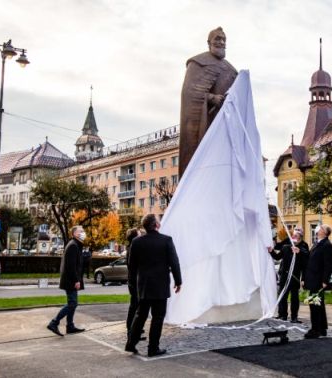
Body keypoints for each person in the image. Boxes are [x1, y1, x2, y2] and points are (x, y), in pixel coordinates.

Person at [179, 27, 238, 177]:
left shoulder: (231, 69)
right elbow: (189, 93)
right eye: (217, 38)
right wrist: (212, 98)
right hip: (206, 122)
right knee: (202, 159)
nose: (221, 42)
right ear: (209, 42)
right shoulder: (197, 63)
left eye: (223, 39)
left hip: (224, 123)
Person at [125, 214, 182, 357]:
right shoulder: (166, 240)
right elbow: (174, 262)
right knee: (157, 317)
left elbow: (132, 267)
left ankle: (131, 343)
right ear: (156, 225)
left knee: (140, 315)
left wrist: (132, 284)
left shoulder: (136, 242)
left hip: (143, 285)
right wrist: (178, 281)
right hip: (160, 285)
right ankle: (153, 348)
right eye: (158, 220)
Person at [47, 226, 86, 336]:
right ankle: (54, 322)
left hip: (71, 280)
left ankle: (70, 326)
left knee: (72, 303)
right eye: (81, 231)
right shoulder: (73, 245)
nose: (83, 233)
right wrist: (76, 280)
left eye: (83, 231)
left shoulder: (75, 245)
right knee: (72, 303)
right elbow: (71, 266)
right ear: (74, 234)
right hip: (70, 280)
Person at [301, 224, 332, 339]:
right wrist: (304, 278)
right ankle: (322, 328)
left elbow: (328, 264)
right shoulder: (317, 243)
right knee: (317, 304)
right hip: (311, 278)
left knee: (315, 305)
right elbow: (309, 261)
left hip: (318, 280)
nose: (318, 229)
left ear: (324, 232)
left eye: (321, 228)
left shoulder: (327, 245)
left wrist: (325, 280)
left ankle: (315, 329)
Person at [269, 230, 309, 323]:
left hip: (295, 276)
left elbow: (306, 259)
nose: (294, 236)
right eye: (293, 235)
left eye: (296, 235)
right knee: (282, 295)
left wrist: (303, 279)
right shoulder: (286, 247)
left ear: (300, 237)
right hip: (284, 274)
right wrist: (271, 251)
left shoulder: (303, 246)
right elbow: (277, 257)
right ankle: (282, 315)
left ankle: (294, 317)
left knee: (294, 297)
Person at [125, 228, 145, 341]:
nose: (141, 235)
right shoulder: (132, 248)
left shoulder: (133, 247)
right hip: (135, 282)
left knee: (136, 307)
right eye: (139, 234)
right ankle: (131, 332)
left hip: (134, 281)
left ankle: (135, 331)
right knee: (134, 307)